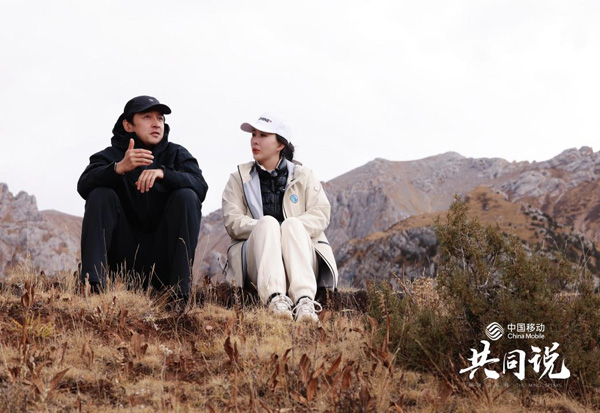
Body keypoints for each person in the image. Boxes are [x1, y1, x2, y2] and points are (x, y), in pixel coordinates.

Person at [77, 95, 208, 305]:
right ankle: (93, 286)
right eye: (147, 117)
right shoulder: (111, 155)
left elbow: (201, 187)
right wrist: (118, 168)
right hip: (124, 261)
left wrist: (165, 174)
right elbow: (83, 185)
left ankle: (179, 295)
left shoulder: (176, 154)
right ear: (128, 125)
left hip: (163, 259)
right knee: (100, 193)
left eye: (160, 118)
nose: (156, 123)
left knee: (187, 195)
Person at [222, 113, 338, 322]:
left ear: (280, 144)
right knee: (267, 223)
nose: (255, 140)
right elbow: (233, 221)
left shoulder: (304, 175)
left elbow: (320, 214)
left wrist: (286, 228)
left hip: (300, 257)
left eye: (263, 135)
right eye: (254, 134)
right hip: (256, 263)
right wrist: (268, 228)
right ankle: (275, 299)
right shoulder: (238, 178)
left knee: (292, 224)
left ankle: (304, 300)